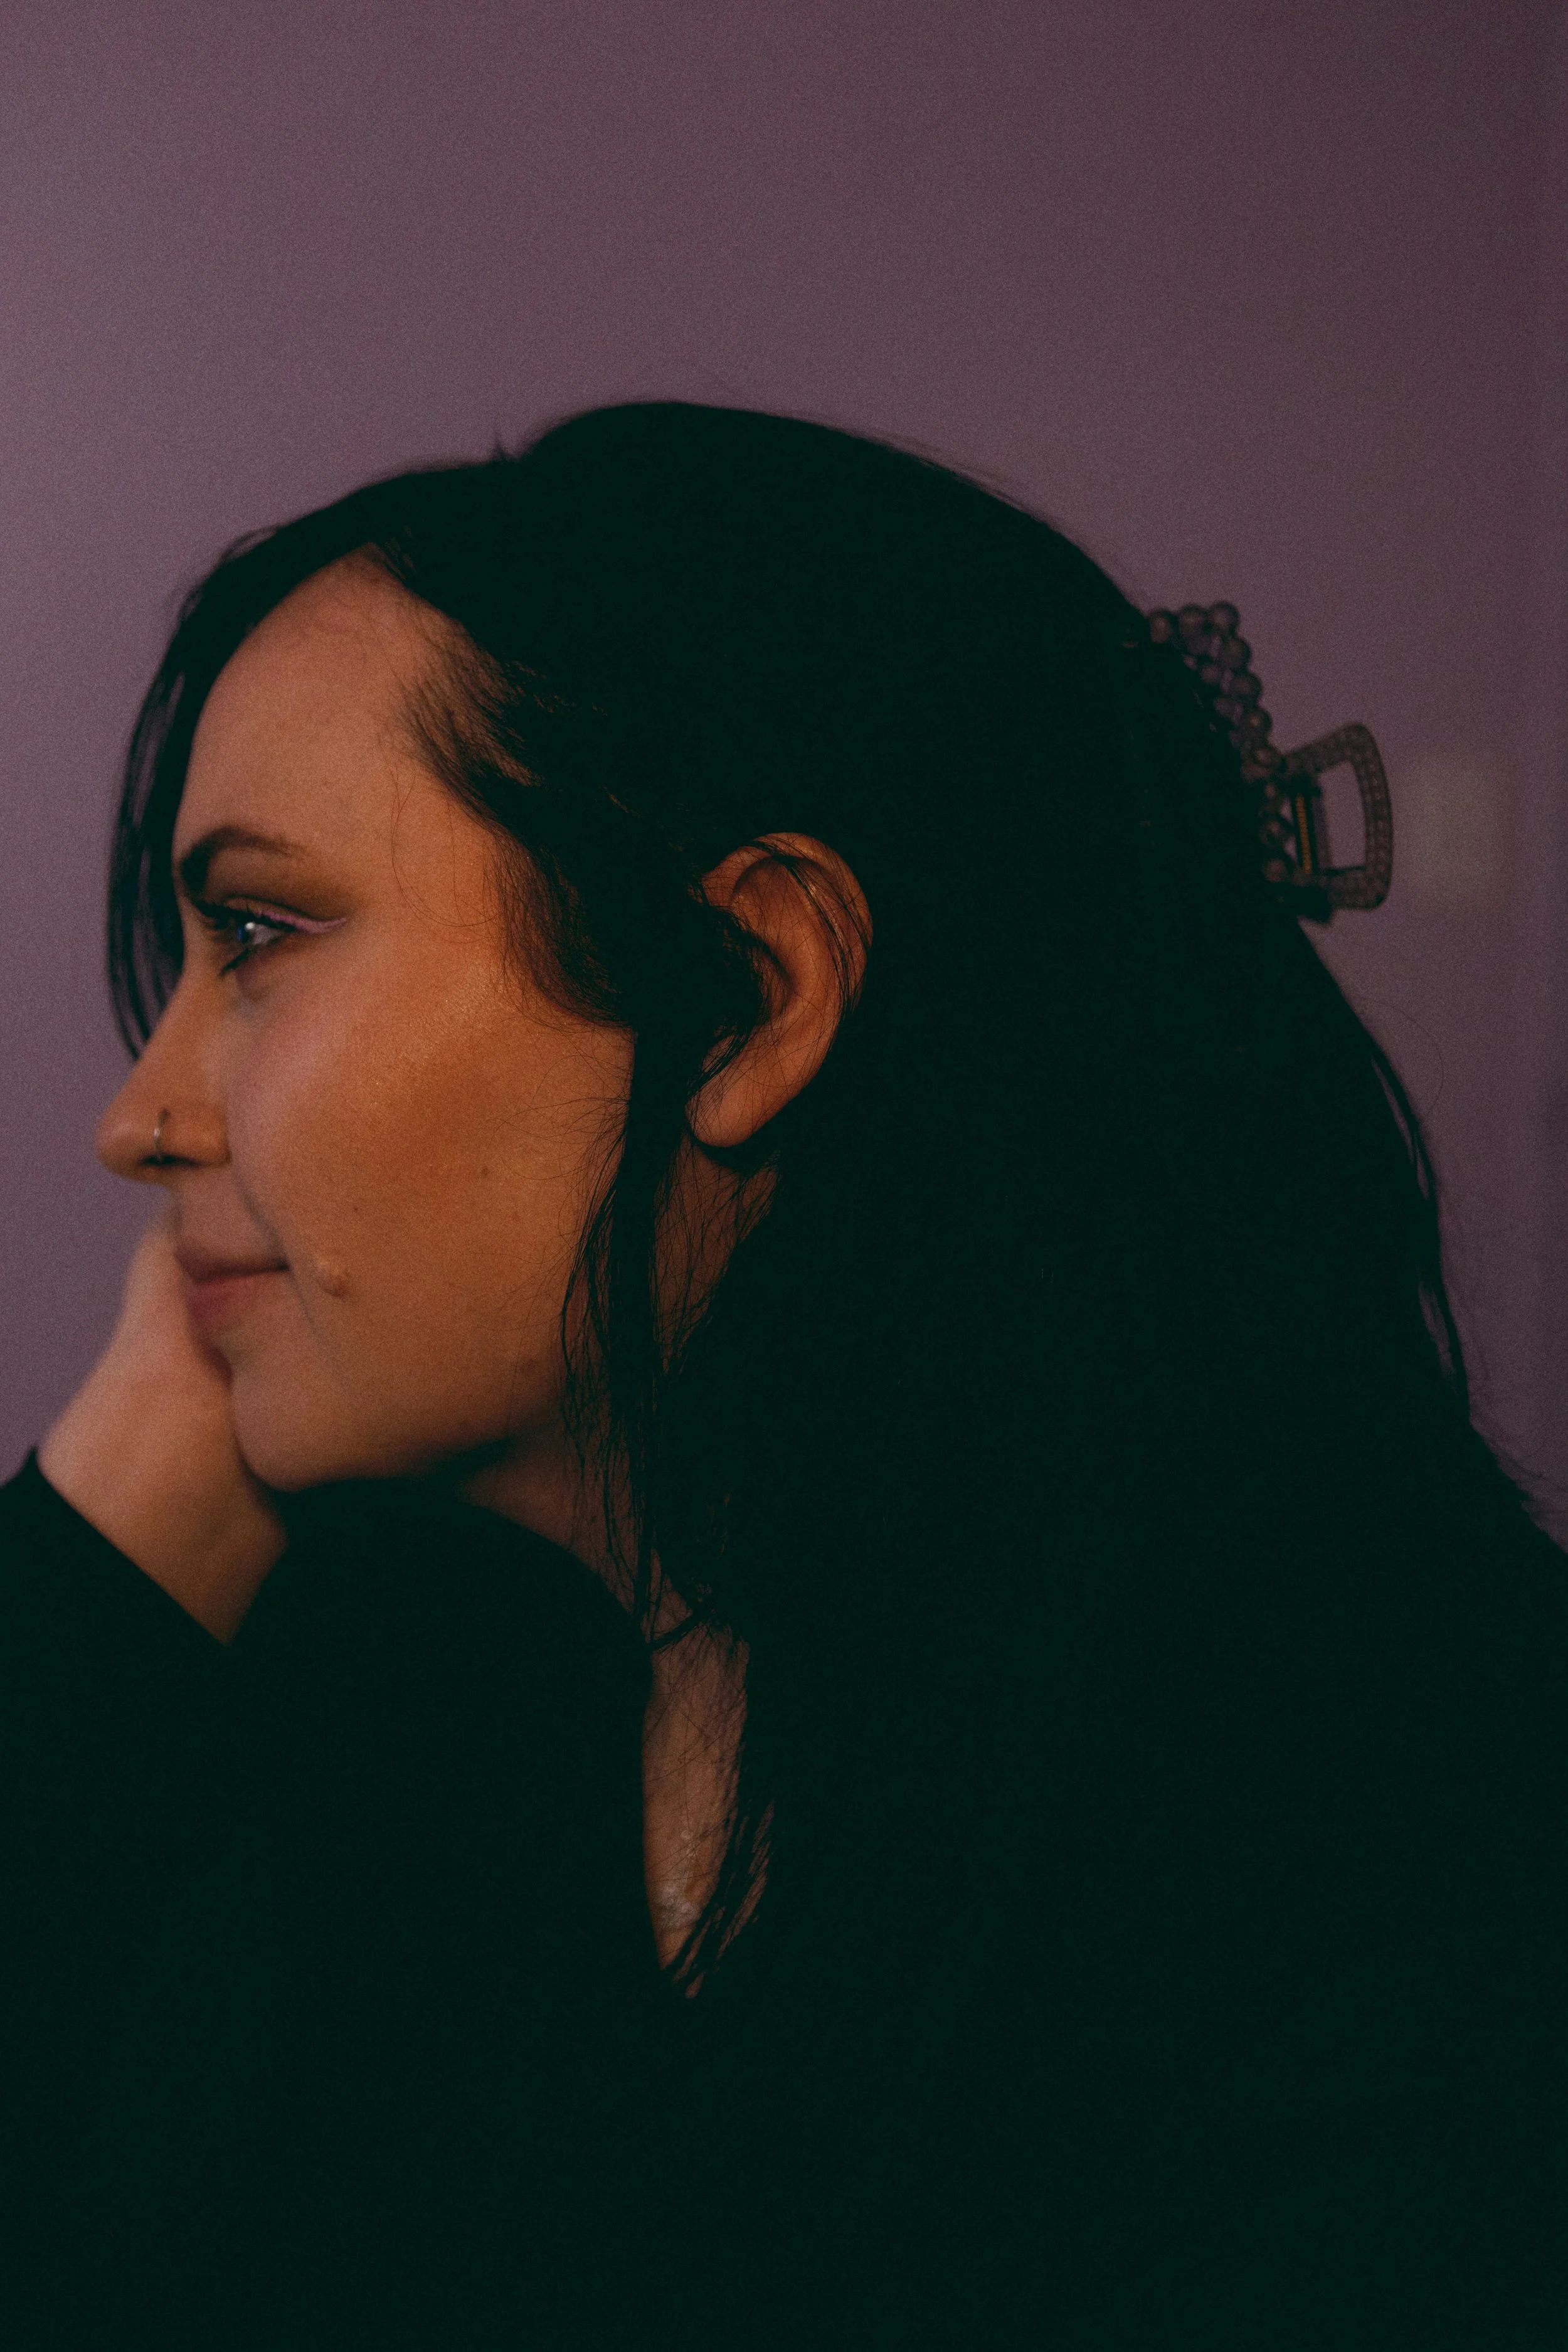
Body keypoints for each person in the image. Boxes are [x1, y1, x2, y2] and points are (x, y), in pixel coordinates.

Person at [2, 400, 1563, 2351]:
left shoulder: (1412, 1862)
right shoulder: (405, 1696)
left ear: (742, 995)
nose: (140, 1118)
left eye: (260, 928)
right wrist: (130, 1505)